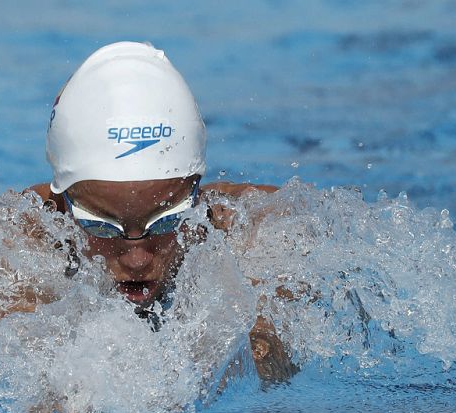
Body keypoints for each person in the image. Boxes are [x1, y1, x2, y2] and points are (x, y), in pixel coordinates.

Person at [24, 41, 296, 383]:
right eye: (102, 226)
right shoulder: (26, 234)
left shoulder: (244, 226)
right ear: (63, 202)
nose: (137, 259)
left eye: (166, 220)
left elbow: (274, 363)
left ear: (196, 194)